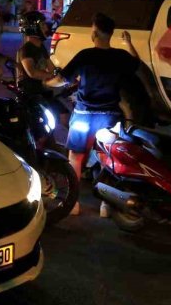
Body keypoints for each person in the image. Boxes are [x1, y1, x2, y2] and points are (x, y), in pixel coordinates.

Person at [50, 13, 140, 215]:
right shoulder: (120, 57)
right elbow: (136, 62)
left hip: (84, 115)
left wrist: (47, 82)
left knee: (75, 157)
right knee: (107, 158)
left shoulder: (85, 56)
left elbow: (62, 79)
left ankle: (72, 203)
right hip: (110, 116)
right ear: (110, 33)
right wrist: (128, 43)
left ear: (95, 33)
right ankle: (106, 205)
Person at [15, 11, 69, 131]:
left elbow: (51, 66)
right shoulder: (26, 49)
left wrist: (64, 75)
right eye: (43, 25)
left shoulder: (41, 47)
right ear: (33, 29)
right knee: (44, 128)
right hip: (32, 95)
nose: (46, 27)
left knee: (64, 116)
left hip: (44, 92)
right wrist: (53, 76)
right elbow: (32, 72)